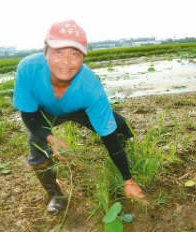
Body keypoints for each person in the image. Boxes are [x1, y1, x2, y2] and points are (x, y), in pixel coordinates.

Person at [13, 19, 144, 214]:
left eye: (74, 54)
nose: (66, 62)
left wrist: (128, 180)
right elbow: (29, 117)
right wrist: (50, 138)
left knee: (118, 126)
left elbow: (108, 137)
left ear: (83, 57)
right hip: (44, 112)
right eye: (58, 52)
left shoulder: (90, 87)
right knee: (37, 150)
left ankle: (130, 145)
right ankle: (56, 195)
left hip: (78, 108)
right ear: (45, 52)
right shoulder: (28, 70)